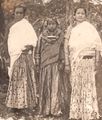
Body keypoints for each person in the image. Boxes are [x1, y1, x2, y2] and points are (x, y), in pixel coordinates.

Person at [64, 7, 102, 120]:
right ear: (74, 15)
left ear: (85, 16)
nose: (80, 15)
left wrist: (97, 62)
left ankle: (89, 113)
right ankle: (77, 114)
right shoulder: (72, 29)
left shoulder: (90, 28)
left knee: (88, 86)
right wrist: (67, 62)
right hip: (76, 61)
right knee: (77, 86)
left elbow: (97, 45)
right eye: (78, 13)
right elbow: (68, 46)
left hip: (88, 61)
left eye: (82, 13)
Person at [5, 4, 38, 119]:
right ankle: (14, 106)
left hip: (25, 56)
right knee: (15, 80)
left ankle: (25, 106)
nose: (18, 14)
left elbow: (34, 39)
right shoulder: (11, 26)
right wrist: (9, 55)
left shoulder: (27, 25)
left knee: (25, 80)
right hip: (14, 55)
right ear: (14, 13)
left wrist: (29, 47)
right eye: (16, 12)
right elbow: (8, 41)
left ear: (24, 14)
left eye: (21, 13)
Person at [35, 18, 64, 117]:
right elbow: (38, 50)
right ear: (46, 25)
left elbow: (62, 49)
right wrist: (38, 63)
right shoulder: (42, 36)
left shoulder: (60, 35)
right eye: (49, 24)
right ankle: (44, 110)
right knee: (45, 86)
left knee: (55, 86)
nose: (51, 26)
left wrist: (62, 61)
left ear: (57, 25)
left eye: (53, 24)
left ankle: (55, 110)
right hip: (45, 64)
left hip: (56, 64)